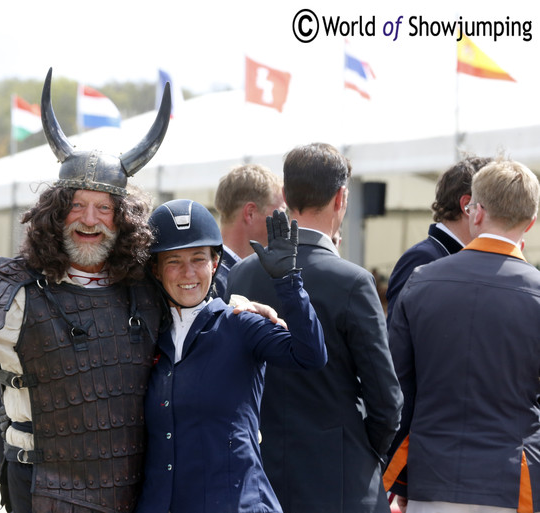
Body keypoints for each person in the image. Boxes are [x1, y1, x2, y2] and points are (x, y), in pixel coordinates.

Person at [0, 69, 172, 513]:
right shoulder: (12, 288)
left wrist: (241, 305)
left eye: (104, 208)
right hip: (42, 487)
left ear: (124, 219)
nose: (89, 219)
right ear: (56, 214)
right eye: (77, 205)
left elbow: (201, 315)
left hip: (131, 487)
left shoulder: (148, 291)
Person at [226, 142, 403, 513]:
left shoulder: (241, 274)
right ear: (341, 199)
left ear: (286, 196)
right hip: (340, 483)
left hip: (260, 477)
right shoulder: (353, 281)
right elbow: (386, 401)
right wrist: (358, 451)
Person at [135, 200, 326, 513]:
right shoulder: (150, 339)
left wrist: (289, 283)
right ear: (155, 270)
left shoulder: (242, 324)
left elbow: (311, 355)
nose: (188, 273)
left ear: (215, 262)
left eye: (198, 259)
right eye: (174, 261)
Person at [384, 159, 540, 513]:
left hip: (431, 475)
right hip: (513, 482)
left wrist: (398, 475)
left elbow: (396, 388)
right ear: (531, 222)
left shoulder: (422, 280)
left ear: (475, 211)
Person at [385, 156, 492, 322]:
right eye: (494, 206)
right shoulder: (422, 259)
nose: (500, 216)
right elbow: (397, 336)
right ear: (467, 206)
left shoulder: (446, 256)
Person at [213, 164, 285, 298]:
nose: (286, 223)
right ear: (250, 213)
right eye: (281, 212)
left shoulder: (219, 273)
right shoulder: (214, 280)